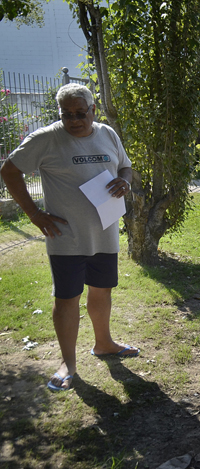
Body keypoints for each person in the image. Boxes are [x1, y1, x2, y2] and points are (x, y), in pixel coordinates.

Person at [0, 83, 139, 392]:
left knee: (102, 291)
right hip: (65, 236)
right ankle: (68, 363)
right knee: (67, 299)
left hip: (104, 232)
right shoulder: (46, 139)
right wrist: (34, 214)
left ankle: (104, 343)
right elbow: (9, 171)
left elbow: (126, 166)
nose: (75, 120)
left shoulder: (107, 133)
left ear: (93, 110)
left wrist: (124, 182)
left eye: (80, 113)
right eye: (67, 115)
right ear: (59, 114)